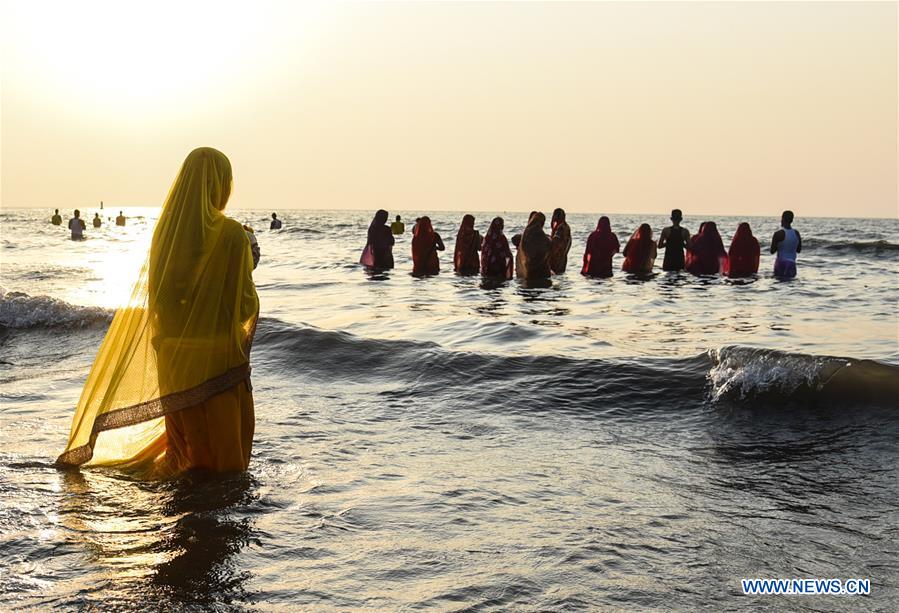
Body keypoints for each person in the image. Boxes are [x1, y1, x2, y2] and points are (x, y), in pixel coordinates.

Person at [56, 147, 259, 477]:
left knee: (186, 450)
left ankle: (182, 514)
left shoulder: (164, 235)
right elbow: (244, 308)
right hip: (217, 362)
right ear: (221, 184)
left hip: (174, 358)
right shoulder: (234, 235)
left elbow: (161, 301)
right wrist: (249, 258)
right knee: (226, 469)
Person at [516, 212, 552, 279]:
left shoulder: (526, 232)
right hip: (539, 269)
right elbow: (548, 245)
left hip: (527, 266)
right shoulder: (539, 232)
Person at [770, 210, 801, 278]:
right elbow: (798, 250)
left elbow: (772, 251)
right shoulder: (796, 233)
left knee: (779, 284)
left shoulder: (778, 233)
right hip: (792, 263)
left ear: (783, 219)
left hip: (781, 262)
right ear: (792, 220)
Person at [549, 208, 572, 274]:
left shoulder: (560, 228)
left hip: (557, 259)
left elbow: (554, 242)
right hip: (563, 258)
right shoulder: (566, 226)